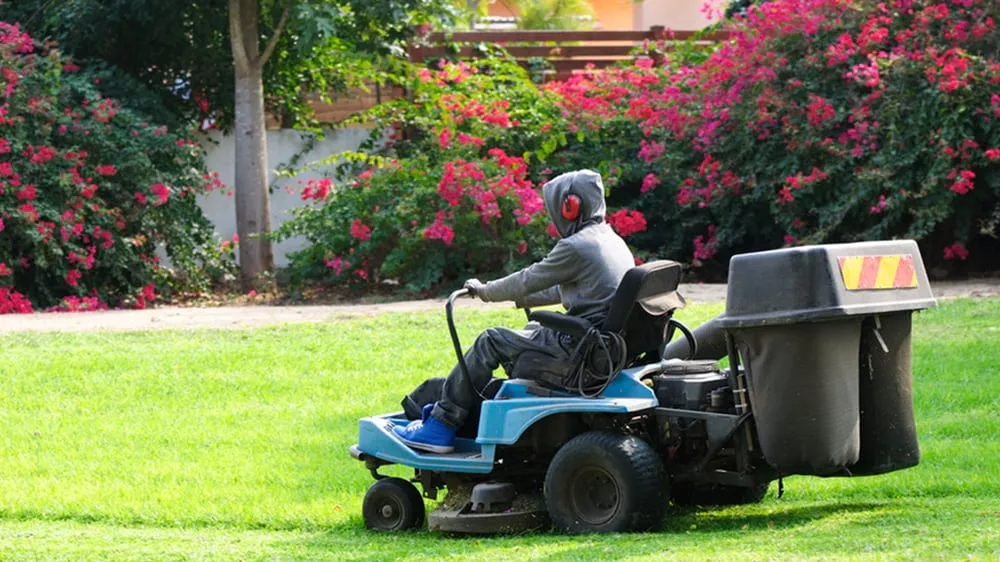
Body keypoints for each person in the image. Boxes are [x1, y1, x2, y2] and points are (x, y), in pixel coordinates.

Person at [393, 169, 635, 453]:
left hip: (581, 358)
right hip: (603, 350)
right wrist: (521, 299)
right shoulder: (609, 239)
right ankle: (459, 411)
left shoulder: (576, 246)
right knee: (533, 330)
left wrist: (485, 290)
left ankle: (441, 424)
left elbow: (527, 278)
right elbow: (569, 290)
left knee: (490, 340)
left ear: (570, 207)